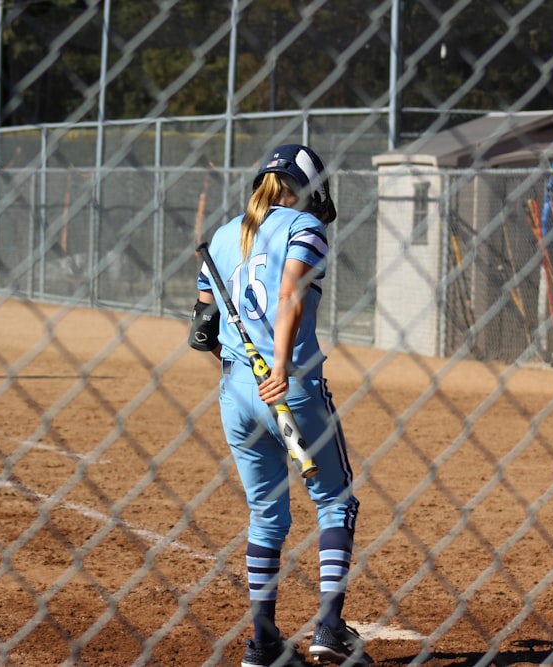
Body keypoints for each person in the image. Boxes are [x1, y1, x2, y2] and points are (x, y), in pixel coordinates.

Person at [189, 145, 369, 667]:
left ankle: (264, 642)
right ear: (307, 188)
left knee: (267, 513)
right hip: (289, 388)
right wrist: (283, 364)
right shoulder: (304, 226)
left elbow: (202, 331)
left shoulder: (225, 237)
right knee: (337, 500)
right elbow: (289, 291)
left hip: (237, 395)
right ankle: (330, 628)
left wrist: (240, 360)